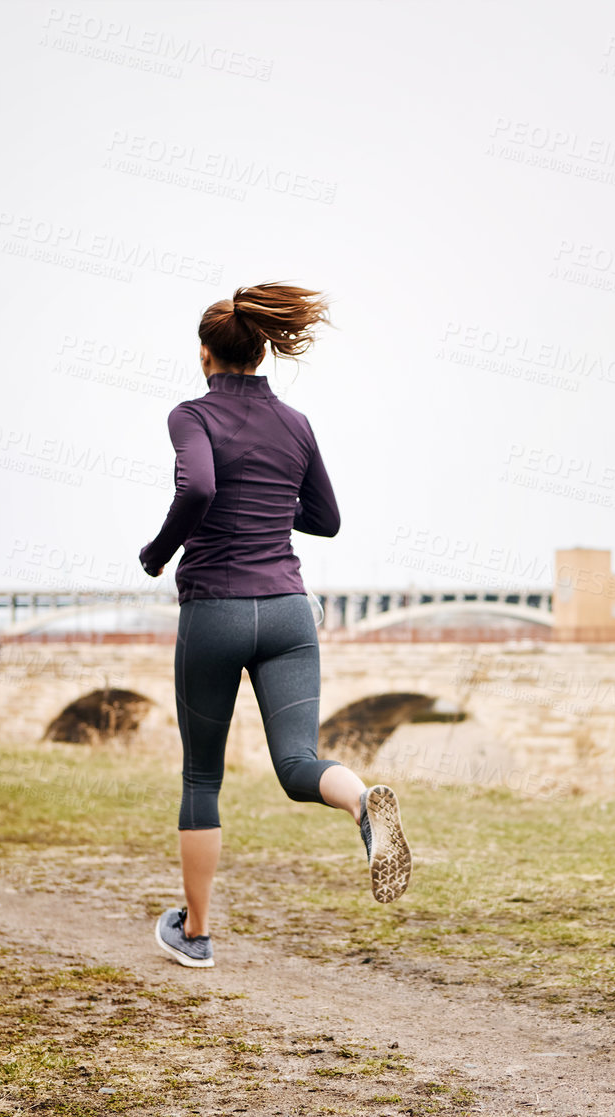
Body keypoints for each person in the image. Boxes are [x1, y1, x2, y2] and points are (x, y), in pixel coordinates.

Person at [139, 283, 411, 970]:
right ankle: (360, 805)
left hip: (217, 610)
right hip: (289, 611)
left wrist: (159, 550)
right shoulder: (295, 423)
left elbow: (197, 487)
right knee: (298, 763)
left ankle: (195, 932)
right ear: (262, 350)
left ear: (206, 354)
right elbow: (325, 519)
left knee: (202, 777)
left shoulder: (189, 415)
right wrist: (262, 506)